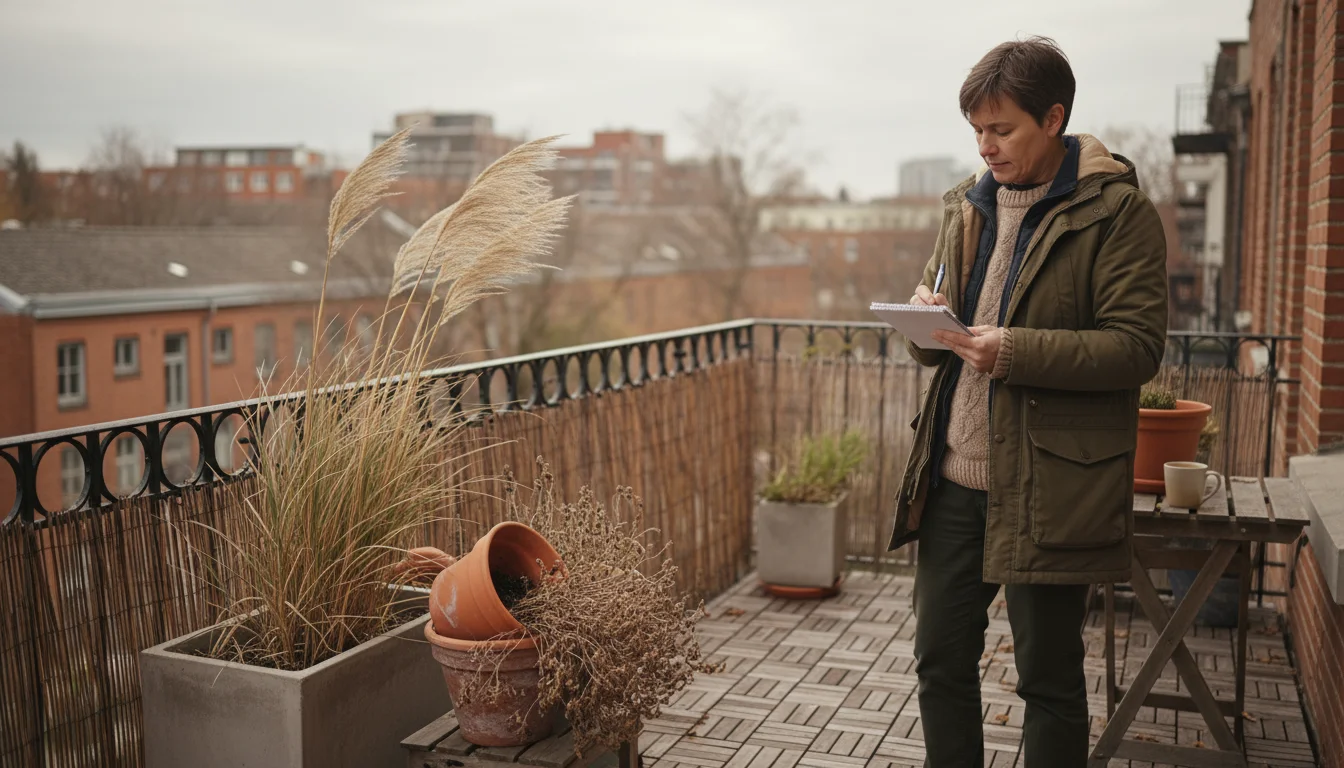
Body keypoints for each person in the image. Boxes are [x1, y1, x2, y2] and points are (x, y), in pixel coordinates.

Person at [888, 37, 1168, 767]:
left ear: (1054, 118)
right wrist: (928, 319)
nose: (985, 146)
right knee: (938, 662)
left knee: (1047, 681)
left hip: (1051, 488)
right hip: (953, 482)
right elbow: (935, 345)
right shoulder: (966, 206)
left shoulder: (1118, 213)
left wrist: (1013, 351)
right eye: (976, 129)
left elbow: (1136, 347)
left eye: (1001, 128)